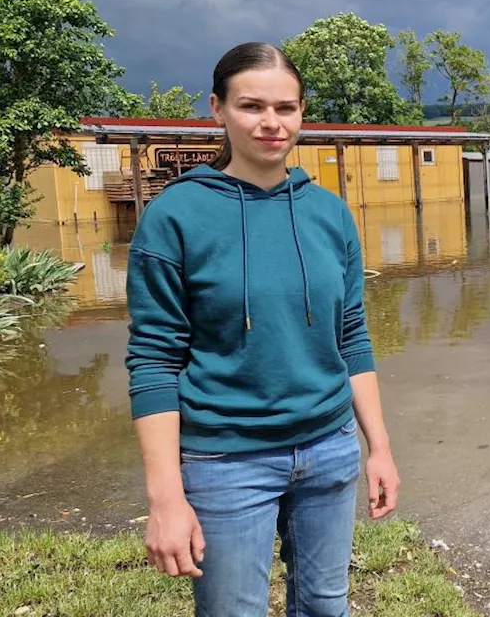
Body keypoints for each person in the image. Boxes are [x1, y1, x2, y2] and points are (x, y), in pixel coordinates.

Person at [125, 41, 400, 616]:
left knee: (326, 605)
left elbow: (351, 336)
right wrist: (165, 497)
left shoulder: (330, 214)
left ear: (302, 113)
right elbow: (153, 360)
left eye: (287, 108)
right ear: (218, 109)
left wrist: (380, 449)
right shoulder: (176, 216)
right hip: (227, 461)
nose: (272, 123)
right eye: (252, 106)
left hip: (328, 450)